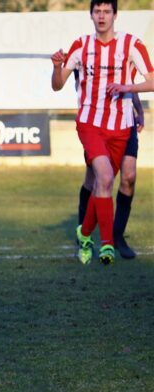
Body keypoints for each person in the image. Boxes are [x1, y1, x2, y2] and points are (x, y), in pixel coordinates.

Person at [51, 0, 154, 265]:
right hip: (90, 123)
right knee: (102, 177)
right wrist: (56, 66)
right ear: (91, 15)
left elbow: (150, 79)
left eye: (107, 11)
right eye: (97, 11)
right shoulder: (81, 46)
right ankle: (106, 244)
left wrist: (128, 89)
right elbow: (57, 85)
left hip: (123, 124)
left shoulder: (132, 45)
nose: (102, 16)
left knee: (118, 178)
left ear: (115, 15)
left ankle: (94, 234)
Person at [78, 92, 144, 259]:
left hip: (126, 124)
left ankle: (117, 235)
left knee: (129, 178)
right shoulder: (84, 65)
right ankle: (84, 235)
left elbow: (128, 82)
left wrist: (139, 111)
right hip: (98, 123)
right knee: (94, 180)